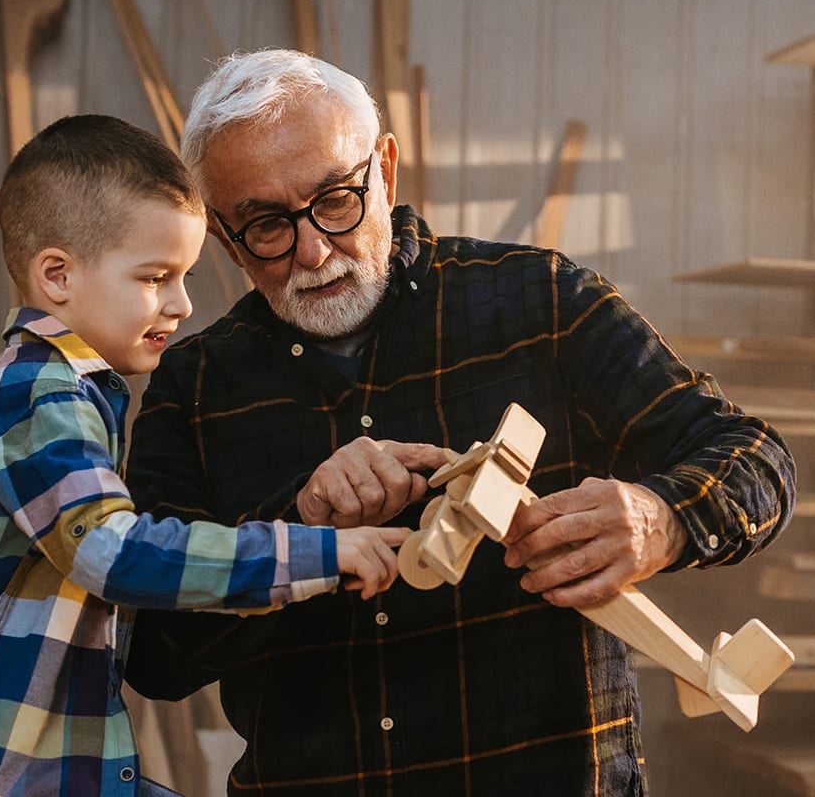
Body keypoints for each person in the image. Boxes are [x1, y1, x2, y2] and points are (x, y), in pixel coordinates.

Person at [123, 50, 796, 796]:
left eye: (336, 201)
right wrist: (298, 526)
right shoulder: (192, 388)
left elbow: (754, 458)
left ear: (386, 166)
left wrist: (659, 518)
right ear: (221, 231)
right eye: (266, 226)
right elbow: (156, 655)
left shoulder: (539, 302)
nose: (312, 251)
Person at [0, 114, 425, 797]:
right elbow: (113, 553)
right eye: (157, 277)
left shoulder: (68, 393)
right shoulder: (33, 396)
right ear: (57, 276)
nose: (183, 304)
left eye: (185, 275)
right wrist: (320, 551)